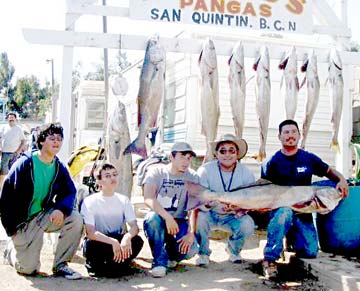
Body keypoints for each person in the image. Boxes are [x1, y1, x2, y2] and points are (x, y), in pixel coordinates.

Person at [261, 119, 348, 279]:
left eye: (294, 132)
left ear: (299, 135)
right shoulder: (271, 162)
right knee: (284, 213)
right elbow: (265, 190)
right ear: (279, 136)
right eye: (286, 132)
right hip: (281, 210)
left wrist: (342, 179)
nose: (290, 135)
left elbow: (329, 171)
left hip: (303, 211)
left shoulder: (308, 158)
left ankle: (290, 238)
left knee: (310, 251)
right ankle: (270, 258)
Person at [0, 122, 83, 280]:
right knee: (28, 269)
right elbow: (6, 198)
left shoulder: (59, 167)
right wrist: (11, 230)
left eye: (59, 138)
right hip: (23, 223)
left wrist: (61, 208)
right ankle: (10, 251)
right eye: (52, 138)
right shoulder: (24, 164)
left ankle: (61, 265)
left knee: (75, 219)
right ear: (42, 141)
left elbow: (69, 191)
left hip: (44, 215)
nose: (56, 142)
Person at [195, 134, 255, 266]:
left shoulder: (247, 173)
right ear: (216, 153)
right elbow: (198, 196)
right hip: (210, 213)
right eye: (223, 151)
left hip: (233, 215)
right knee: (198, 219)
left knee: (248, 225)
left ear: (237, 153)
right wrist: (209, 204)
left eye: (231, 151)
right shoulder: (205, 170)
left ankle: (233, 250)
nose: (227, 154)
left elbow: (250, 199)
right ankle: (203, 253)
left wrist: (238, 208)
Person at [142, 142, 199, 278]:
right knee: (152, 219)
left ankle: (171, 255)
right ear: (171, 157)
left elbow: (194, 206)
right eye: (182, 157)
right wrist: (167, 217)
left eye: (189, 158)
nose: (186, 161)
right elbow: (148, 198)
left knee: (191, 249)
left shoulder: (193, 177)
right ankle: (159, 262)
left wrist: (191, 233)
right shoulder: (156, 172)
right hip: (159, 217)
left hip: (179, 220)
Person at [80, 162, 144, 277]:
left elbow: (134, 226)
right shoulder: (90, 201)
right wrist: (112, 242)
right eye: (108, 176)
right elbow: (90, 233)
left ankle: (116, 265)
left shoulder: (123, 200)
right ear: (99, 180)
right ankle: (107, 266)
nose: (112, 178)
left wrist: (127, 237)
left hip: (118, 240)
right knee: (91, 246)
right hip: (99, 240)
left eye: (114, 175)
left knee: (137, 241)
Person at [0, 112, 26, 188]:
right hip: (5, 153)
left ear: (15, 119)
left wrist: (18, 151)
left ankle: (11, 189)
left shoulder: (19, 129)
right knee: (2, 173)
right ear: (7, 119)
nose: (11, 119)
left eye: (12, 117)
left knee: (14, 172)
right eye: (10, 117)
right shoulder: (3, 127)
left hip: (14, 154)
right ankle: (1, 189)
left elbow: (23, 141)